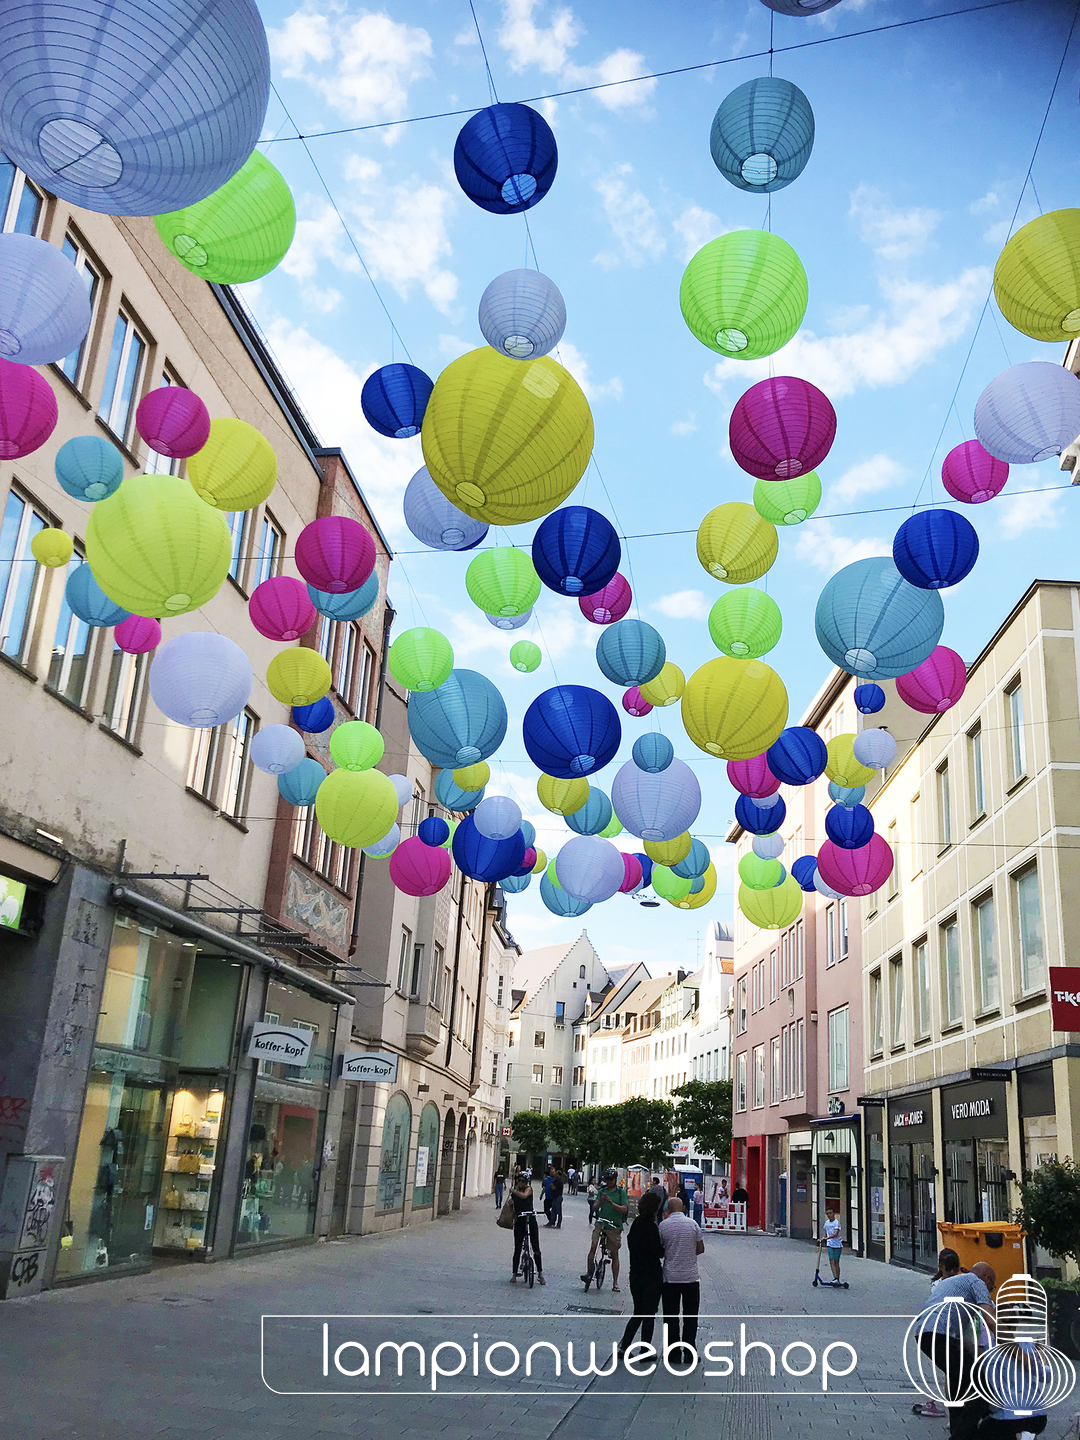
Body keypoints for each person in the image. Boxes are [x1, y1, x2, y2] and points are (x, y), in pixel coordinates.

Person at [912, 1248, 994, 1436]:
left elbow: (962, 1334)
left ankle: (960, 1429)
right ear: (987, 1278)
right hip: (939, 1335)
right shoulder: (976, 1281)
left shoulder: (953, 1282)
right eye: (992, 1286)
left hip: (924, 1334)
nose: (990, 1291)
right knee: (981, 1389)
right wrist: (1011, 1345)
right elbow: (991, 1320)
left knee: (960, 1385)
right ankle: (962, 1434)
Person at [618, 1190, 664, 1357]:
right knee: (649, 1313)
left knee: (638, 1312)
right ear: (654, 1209)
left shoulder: (636, 1224)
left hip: (635, 1273)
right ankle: (645, 1350)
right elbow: (658, 1252)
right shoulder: (651, 1227)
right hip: (651, 1275)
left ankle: (624, 1346)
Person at [659, 1196, 705, 1361]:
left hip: (670, 1278)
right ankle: (690, 1352)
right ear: (683, 1208)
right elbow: (700, 1249)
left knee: (671, 1317)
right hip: (691, 1278)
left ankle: (673, 1353)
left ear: (668, 1210)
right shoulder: (693, 1224)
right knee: (690, 1317)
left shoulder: (663, 1226)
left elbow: (660, 1250)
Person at [581, 1167, 629, 1292]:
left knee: (614, 1253)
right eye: (606, 1179)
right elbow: (595, 1208)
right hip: (601, 1223)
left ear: (615, 1179)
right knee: (593, 1246)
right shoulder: (602, 1191)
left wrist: (611, 1203)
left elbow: (624, 1209)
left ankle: (615, 1282)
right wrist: (600, 1202)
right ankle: (588, 1272)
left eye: (611, 1179)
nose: (608, 1182)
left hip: (614, 1225)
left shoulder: (620, 1192)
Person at [510, 1174, 545, 1285]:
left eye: (522, 1181)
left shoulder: (528, 1189)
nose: (520, 1183)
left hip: (530, 1218)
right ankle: (514, 1274)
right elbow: (513, 1206)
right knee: (518, 1248)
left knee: (535, 1247)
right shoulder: (515, 1192)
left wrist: (513, 1191)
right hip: (519, 1220)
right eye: (518, 1181)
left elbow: (524, 1196)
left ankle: (540, 1273)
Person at [822, 1206, 843, 1283]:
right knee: (831, 1260)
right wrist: (822, 1239)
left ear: (833, 1214)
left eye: (830, 1213)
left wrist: (827, 1238)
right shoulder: (826, 1223)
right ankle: (834, 1277)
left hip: (837, 1244)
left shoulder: (836, 1222)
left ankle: (837, 1278)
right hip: (830, 1244)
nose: (829, 1215)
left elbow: (836, 1234)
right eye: (827, 1213)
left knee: (836, 1261)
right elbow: (825, 1234)